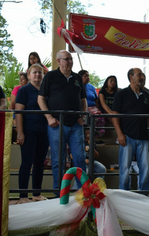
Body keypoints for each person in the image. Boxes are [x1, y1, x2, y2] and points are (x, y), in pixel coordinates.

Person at [38, 50, 87, 193]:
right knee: (58, 160)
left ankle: (83, 193)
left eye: (71, 59)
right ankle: (59, 193)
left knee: (79, 158)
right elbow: (40, 98)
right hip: (57, 124)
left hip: (76, 124)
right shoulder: (51, 76)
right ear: (58, 61)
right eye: (66, 59)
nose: (70, 62)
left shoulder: (77, 77)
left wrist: (83, 117)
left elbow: (83, 99)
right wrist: (49, 118)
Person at [111, 68, 149, 191]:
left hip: (143, 136)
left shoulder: (146, 95)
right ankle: (124, 193)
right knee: (125, 167)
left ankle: (144, 194)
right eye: (139, 75)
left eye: (142, 75)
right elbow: (115, 115)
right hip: (127, 136)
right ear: (131, 77)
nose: (142, 77)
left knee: (144, 167)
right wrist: (119, 134)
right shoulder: (122, 94)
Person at [15, 64, 49, 204]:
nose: (37, 75)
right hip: (28, 131)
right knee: (26, 163)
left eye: (40, 73)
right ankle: (23, 196)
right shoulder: (24, 91)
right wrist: (20, 132)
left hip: (44, 131)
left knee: (39, 163)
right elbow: (19, 112)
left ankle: (36, 193)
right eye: (34, 72)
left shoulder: (46, 90)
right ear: (29, 75)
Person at [79, 69, 105, 137]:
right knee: (88, 117)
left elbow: (96, 99)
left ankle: (94, 137)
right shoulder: (78, 86)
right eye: (85, 76)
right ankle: (87, 137)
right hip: (83, 109)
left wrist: (98, 109)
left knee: (99, 116)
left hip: (93, 108)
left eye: (88, 76)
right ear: (80, 77)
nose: (88, 78)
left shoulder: (91, 87)